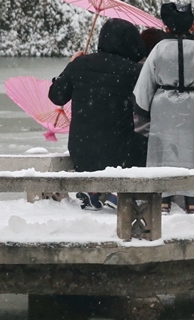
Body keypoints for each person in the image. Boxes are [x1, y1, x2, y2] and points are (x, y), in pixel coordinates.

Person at [132, 3, 194, 214]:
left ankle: (164, 197)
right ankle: (192, 199)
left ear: (166, 27)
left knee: (163, 148)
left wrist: (142, 106)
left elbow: (145, 82)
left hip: (163, 104)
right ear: (192, 26)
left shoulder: (158, 49)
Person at [48, 18, 147, 210]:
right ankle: (119, 193)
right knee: (146, 145)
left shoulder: (79, 65)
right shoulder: (133, 71)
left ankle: (92, 191)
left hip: (81, 150)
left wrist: (71, 65)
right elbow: (145, 107)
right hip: (120, 153)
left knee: (105, 145)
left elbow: (56, 96)